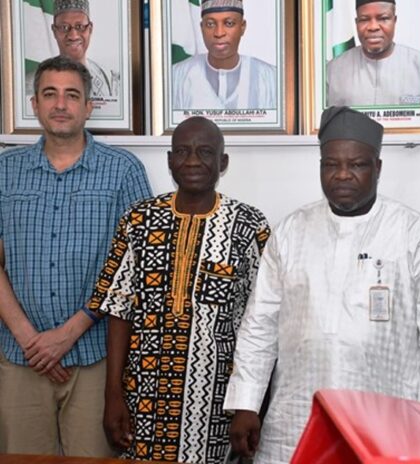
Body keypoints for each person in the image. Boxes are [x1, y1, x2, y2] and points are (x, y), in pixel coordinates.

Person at [224, 106, 420, 463]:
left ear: (377, 167)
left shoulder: (415, 235)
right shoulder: (291, 231)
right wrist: (246, 402)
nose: (342, 174)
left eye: (357, 164)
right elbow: (259, 326)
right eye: (331, 164)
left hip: (387, 415)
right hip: (296, 415)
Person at [91, 116, 270, 463]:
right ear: (169, 160)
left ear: (223, 162)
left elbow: (262, 323)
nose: (192, 161)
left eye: (204, 152)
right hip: (143, 397)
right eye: (183, 152)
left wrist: (251, 404)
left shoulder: (250, 226)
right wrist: (112, 393)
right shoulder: (138, 220)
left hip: (219, 401)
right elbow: (118, 309)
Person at [0, 55, 151, 456]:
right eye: (50, 94)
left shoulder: (124, 170)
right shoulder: (5, 170)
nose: (60, 105)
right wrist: (31, 340)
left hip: (95, 358)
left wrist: (66, 336)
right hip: (20, 359)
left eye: (71, 95)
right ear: (34, 104)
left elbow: (135, 268)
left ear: (88, 106)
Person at [172, 0, 277, 110]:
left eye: (229, 23)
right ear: (202, 27)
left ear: (242, 27)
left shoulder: (270, 78)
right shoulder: (176, 77)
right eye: (210, 24)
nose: (219, 33)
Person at [326, 0, 420, 107]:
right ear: (356, 22)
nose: (373, 27)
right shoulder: (332, 70)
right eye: (364, 20)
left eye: (383, 18)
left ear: (394, 20)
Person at [26, 0, 119, 99]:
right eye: (64, 27)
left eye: (80, 26)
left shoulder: (111, 82)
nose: (73, 35)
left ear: (90, 29)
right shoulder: (32, 83)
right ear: (54, 31)